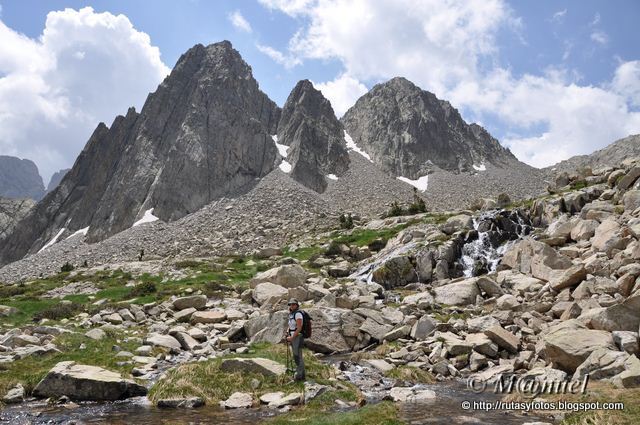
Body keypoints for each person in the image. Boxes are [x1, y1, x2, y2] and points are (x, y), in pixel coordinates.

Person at [286, 298, 305, 381]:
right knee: (295, 355)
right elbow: (290, 326)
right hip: (292, 336)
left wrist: (292, 337)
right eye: (290, 304)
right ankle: (301, 374)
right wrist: (287, 331)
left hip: (297, 337)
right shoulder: (291, 314)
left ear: (297, 305)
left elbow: (299, 327)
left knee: (298, 356)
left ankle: (299, 375)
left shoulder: (298, 314)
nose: (292, 306)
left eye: (293, 304)